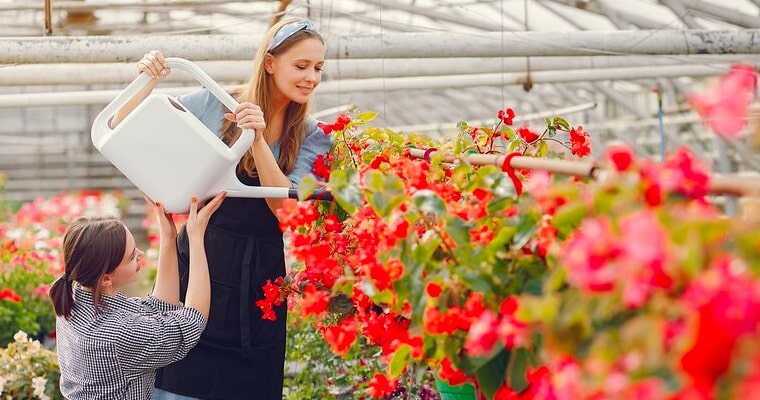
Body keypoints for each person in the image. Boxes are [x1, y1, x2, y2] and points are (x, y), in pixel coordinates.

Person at [110, 17, 332, 400]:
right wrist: (147, 81)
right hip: (200, 255)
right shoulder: (216, 102)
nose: (311, 77)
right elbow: (121, 125)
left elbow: (284, 207)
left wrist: (257, 139)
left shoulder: (313, 136)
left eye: (318, 68)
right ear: (269, 63)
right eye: (301, 66)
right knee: (180, 373)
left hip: (259, 276)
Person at [49, 192, 227, 400]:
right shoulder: (115, 335)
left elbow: (159, 309)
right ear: (106, 278)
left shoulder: (75, 301)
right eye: (131, 256)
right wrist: (196, 238)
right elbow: (191, 323)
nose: (140, 254)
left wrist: (168, 237)